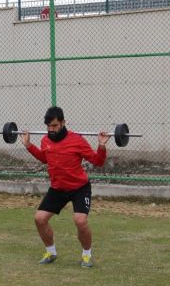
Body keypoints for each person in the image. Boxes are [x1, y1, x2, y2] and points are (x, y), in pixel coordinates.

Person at [21, 106, 109, 268]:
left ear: (63, 123)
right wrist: (28, 145)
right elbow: (44, 158)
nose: (51, 129)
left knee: (80, 221)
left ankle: (87, 256)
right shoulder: (45, 140)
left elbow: (98, 161)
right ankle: (51, 252)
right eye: (48, 126)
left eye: (54, 126)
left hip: (79, 188)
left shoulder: (77, 140)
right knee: (39, 219)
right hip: (58, 188)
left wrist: (102, 146)